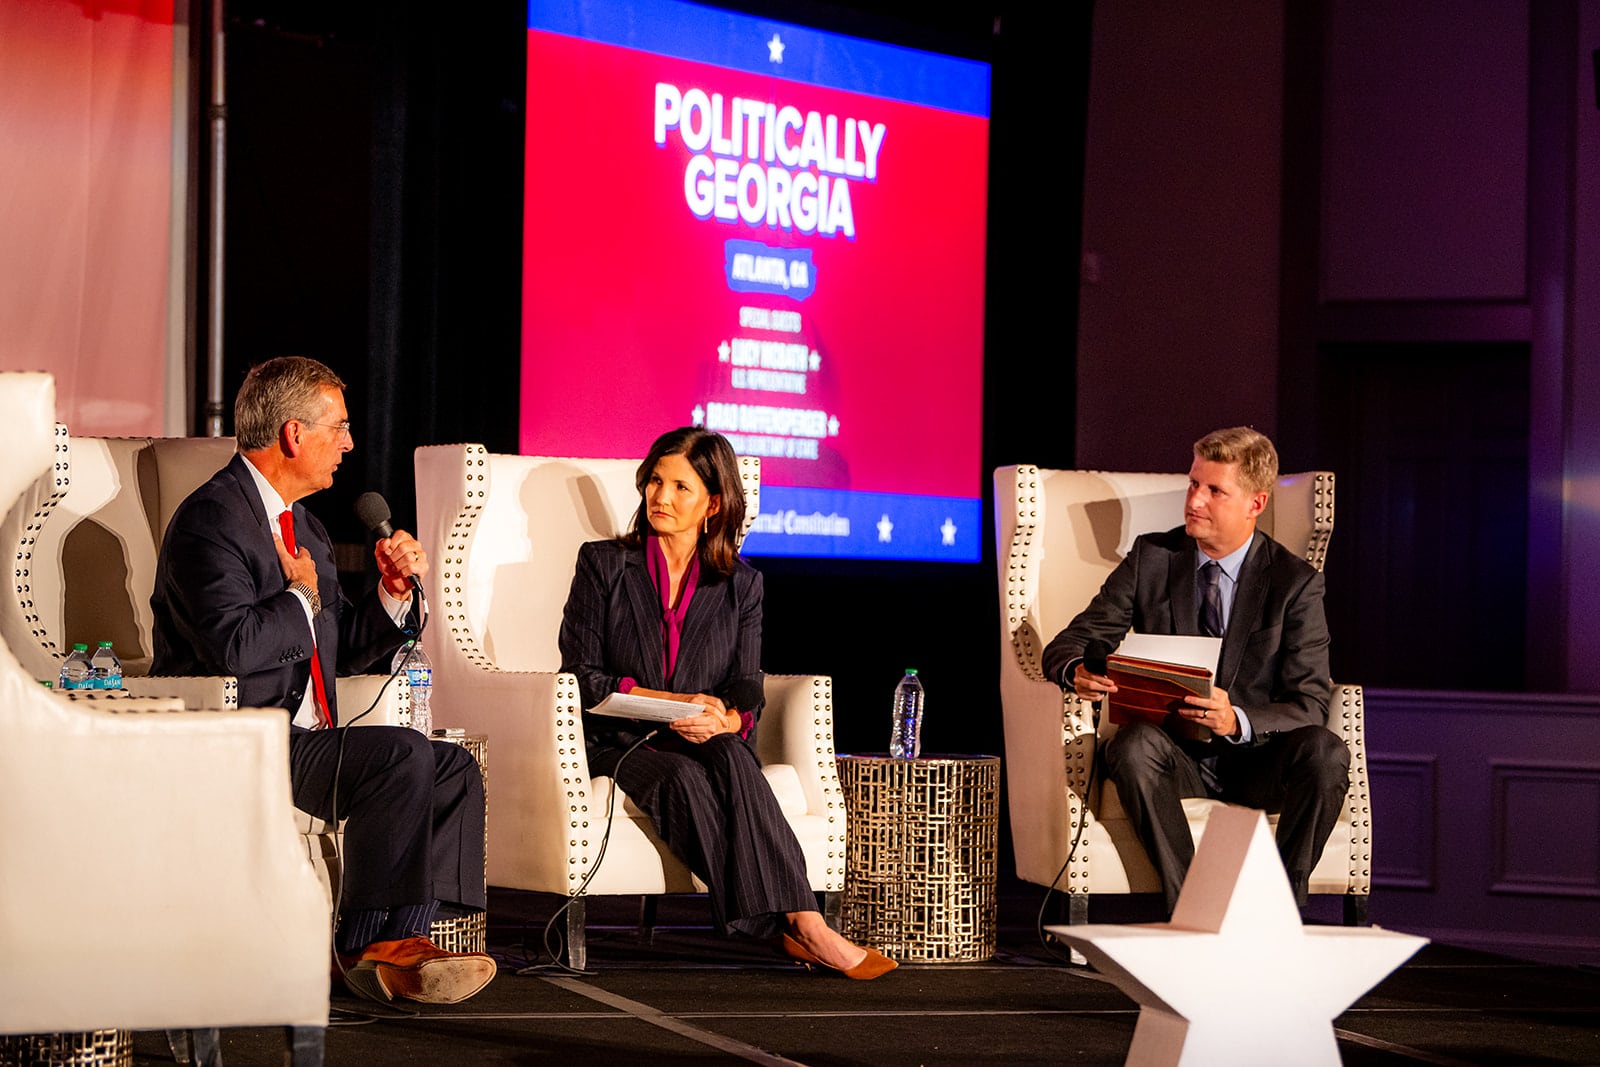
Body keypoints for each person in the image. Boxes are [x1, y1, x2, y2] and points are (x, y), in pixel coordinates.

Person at [150, 357, 495, 1004]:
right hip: (242, 736)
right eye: (338, 427)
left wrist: (391, 597)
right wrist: (302, 596)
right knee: (400, 752)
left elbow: (339, 650)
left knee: (454, 768)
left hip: (310, 737)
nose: (350, 443)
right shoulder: (212, 522)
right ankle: (363, 948)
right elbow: (235, 648)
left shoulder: (303, 524)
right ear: (292, 434)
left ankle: (401, 939)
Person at [558, 427, 895, 979]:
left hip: (704, 732)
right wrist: (680, 704)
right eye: (656, 482)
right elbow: (584, 677)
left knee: (736, 757)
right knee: (683, 780)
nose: (660, 498)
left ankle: (803, 921)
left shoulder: (742, 584)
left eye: (680, 487)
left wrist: (727, 717)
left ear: (713, 503)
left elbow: (745, 683)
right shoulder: (603, 565)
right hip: (617, 738)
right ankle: (796, 925)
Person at [1041, 426, 1349, 914]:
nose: (1195, 500)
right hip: (1175, 759)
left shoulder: (1295, 583)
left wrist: (1237, 720)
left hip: (1256, 762)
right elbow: (1069, 644)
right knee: (1132, 746)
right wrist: (1077, 669)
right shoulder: (1152, 558)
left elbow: (1310, 704)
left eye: (1214, 490)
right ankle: (1192, 911)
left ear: (1255, 502)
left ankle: (1280, 913)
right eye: (1193, 484)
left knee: (1326, 751)